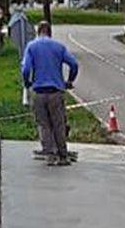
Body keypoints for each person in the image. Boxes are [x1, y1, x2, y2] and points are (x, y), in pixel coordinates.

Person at [20, 21, 80, 166]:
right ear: (49, 32)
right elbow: (74, 64)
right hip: (56, 92)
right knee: (58, 124)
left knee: (44, 124)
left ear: (38, 32)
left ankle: (50, 154)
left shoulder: (32, 46)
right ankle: (63, 155)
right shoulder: (58, 47)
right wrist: (69, 81)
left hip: (39, 92)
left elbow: (25, 69)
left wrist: (27, 82)